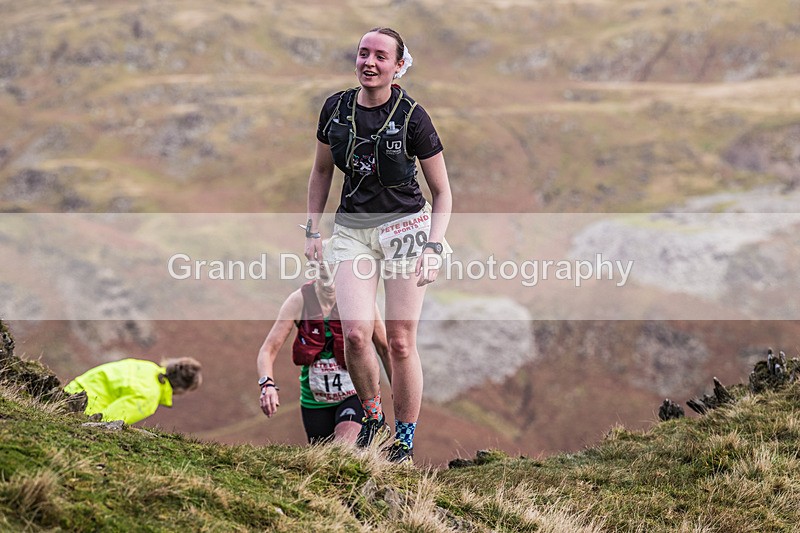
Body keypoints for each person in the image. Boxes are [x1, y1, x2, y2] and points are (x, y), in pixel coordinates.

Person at [304, 27, 452, 463]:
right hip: (352, 231)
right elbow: (320, 173)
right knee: (354, 334)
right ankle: (373, 420)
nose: (369, 62)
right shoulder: (335, 109)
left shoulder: (413, 117)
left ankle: (403, 441)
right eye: (363, 54)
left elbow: (443, 192)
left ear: (397, 65)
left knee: (402, 341)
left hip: (406, 229)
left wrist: (434, 246)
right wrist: (313, 230)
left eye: (380, 56)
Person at [257, 261, 390, 444]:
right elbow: (267, 350)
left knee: (344, 449)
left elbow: (384, 349)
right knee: (322, 461)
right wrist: (267, 386)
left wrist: (398, 392)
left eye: (336, 277)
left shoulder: (361, 300)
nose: (331, 285)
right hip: (314, 401)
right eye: (325, 277)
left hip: (354, 394)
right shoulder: (299, 301)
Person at [63, 357, 202, 424]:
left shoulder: (147, 366)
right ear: (181, 389)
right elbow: (108, 421)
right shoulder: (149, 397)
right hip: (79, 410)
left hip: (70, 390)